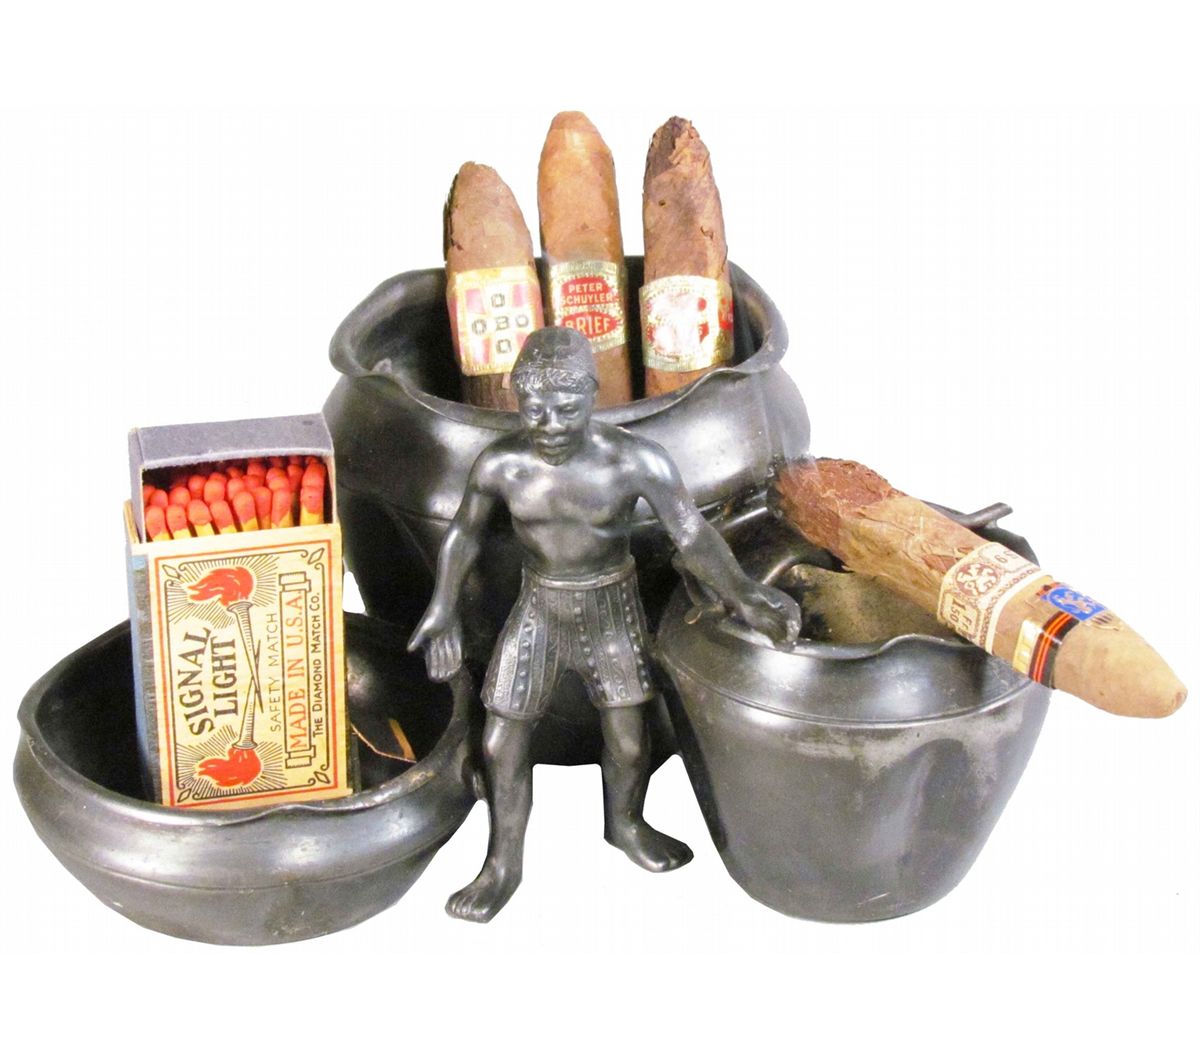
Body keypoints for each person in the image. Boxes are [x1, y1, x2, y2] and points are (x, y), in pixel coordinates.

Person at [408, 327, 800, 922]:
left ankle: (625, 823)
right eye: (534, 409)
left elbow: (690, 532)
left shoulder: (634, 460)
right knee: (501, 734)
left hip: (610, 604)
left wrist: (743, 593)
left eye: (566, 408)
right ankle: (502, 862)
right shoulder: (502, 463)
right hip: (540, 604)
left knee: (629, 735)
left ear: (592, 397)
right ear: (517, 401)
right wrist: (443, 608)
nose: (549, 425)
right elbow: (464, 533)